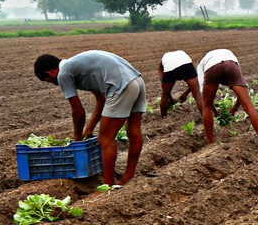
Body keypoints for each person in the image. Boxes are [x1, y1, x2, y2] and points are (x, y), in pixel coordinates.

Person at [33, 50, 146, 188]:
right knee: (134, 130)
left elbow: (78, 112)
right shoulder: (79, 66)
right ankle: (128, 176)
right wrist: (89, 128)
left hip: (121, 86)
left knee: (105, 139)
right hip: (137, 81)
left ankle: (107, 186)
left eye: (49, 81)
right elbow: (101, 100)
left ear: (49, 73)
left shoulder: (63, 74)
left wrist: (77, 138)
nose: (53, 83)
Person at [197, 49, 258, 149]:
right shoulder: (232, 60)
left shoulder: (201, 67)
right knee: (248, 105)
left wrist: (215, 112)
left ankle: (210, 144)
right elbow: (242, 95)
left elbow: (207, 101)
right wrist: (234, 109)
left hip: (212, 67)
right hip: (230, 63)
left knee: (206, 106)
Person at [158, 50, 202, 117]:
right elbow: (195, 83)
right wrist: (186, 93)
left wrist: (167, 93)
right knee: (196, 93)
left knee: (164, 94)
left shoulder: (164, 60)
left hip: (170, 68)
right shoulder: (182, 53)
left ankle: (163, 117)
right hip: (186, 64)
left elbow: (165, 88)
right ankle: (205, 115)